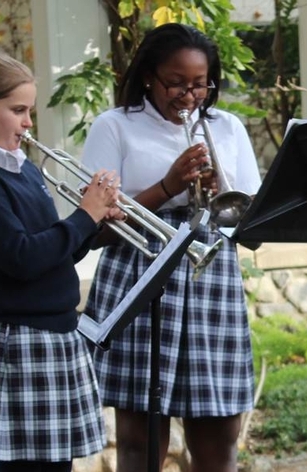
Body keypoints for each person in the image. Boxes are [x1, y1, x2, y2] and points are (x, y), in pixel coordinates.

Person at [79, 23, 262, 472]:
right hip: (141, 276)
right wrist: (167, 186)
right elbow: (91, 229)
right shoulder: (116, 126)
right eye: (176, 83)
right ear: (148, 76)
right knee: (140, 439)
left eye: (200, 84)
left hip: (211, 278)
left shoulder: (228, 127)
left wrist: (224, 193)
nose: (189, 95)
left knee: (220, 436)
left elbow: (253, 221)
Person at [0, 51, 121, 472]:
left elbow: (52, 255)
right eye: (18, 110)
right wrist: (83, 217)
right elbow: (21, 258)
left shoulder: (22, 169)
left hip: (51, 334)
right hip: (16, 341)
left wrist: (96, 229)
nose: (28, 123)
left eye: (30, 111)